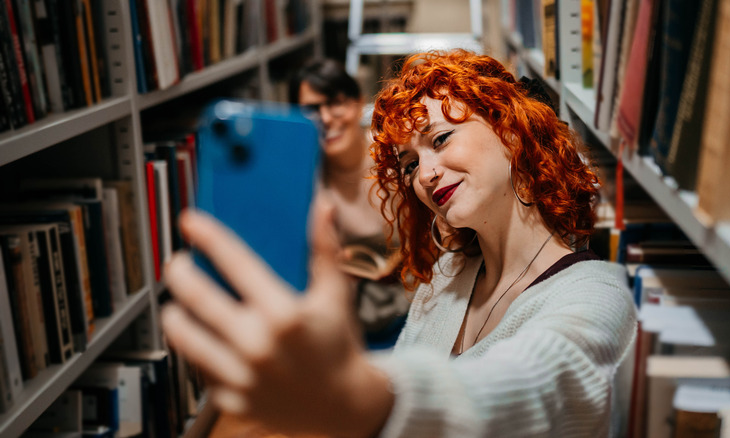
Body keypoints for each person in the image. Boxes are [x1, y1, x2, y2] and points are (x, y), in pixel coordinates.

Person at [162, 50, 637, 437]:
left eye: (441, 138)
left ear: (509, 129)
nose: (426, 174)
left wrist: (357, 398)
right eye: (410, 164)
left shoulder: (600, 292)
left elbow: (537, 385)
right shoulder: (452, 273)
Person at [288, 58, 409, 348]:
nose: (326, 118)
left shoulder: (394, 156)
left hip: (412, 313)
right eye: (311, 110)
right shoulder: (303, 178)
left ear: (356, 104)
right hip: (344, 329)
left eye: (335, 103)